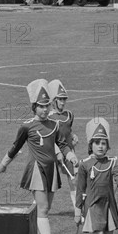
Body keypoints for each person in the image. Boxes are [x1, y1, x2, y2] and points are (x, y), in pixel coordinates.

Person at [0, 79, 78, 234]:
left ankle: (30, 233)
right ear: (34, 107)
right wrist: (4, 163)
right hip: (36, 170)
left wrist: (70, 155)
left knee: (45, 208)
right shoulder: (27, 126)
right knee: (42, 208)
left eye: (46, 106)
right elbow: (15, 147)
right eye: (41, 106)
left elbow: (63, 144)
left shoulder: (54, 125)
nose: (44, 109)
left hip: (52, 171)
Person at [48, 79, 79, 212]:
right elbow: (49, 138)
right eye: (60, 99)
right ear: (54, 100)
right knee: (49, 184)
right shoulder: (49, 117)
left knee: (74, 181)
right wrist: (57, 152)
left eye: (64, 99)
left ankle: (78, 211)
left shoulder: (69, 115)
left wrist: (73, 136)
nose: (63, 102)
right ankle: (39, 208)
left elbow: (67, 130)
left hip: (68, 153)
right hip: (53, 154)